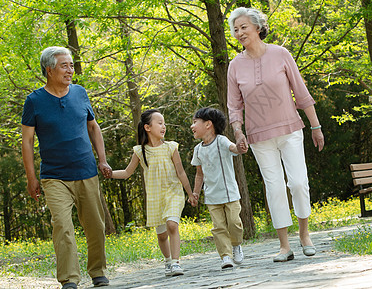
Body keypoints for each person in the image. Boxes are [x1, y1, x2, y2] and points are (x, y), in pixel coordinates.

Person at [227, 7, 325, 262]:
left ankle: (304, 234)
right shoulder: (234, 66)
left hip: (290, 129)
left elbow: (301, 93)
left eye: (243, 27)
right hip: (258, 136)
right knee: (275, 189)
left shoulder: (281, 54)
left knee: (298, 183)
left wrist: (315, 126)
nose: (239, 33)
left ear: (257, 28)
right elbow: (234, 106)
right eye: (235, 29)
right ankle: (284, 245)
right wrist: (238, 133)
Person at [21, 46, 111, 288]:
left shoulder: (81, 94)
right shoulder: (34, 101)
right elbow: (27, 142)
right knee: (62, 226)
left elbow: (93, 127)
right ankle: (69, 279)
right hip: (54, 176)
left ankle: (98, 272)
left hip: (86, 171)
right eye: (65, 65)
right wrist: (32, 178)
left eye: (71, 65)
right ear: (49, 70)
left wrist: (102, 159)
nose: (70, 70)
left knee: (95, 226)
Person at [108, 109, 196, 277]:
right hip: (156, 197)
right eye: (160, 123)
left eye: (164, 123)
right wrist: (110, 173)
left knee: (172, 225)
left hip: (173, 193)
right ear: (147, 127)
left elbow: (181, 172)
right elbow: (127, 173)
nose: (164, 126)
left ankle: (176, 262)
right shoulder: (140, 152)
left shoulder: (171, 147)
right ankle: (168, 260)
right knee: (162, 236)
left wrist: (190, 193)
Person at [190, 107, 247, 269]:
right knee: (219, 227)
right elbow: (199, 175)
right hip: (212, 197)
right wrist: (195, 192)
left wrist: (240, 147)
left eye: (195, 122)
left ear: (208, 124)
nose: (192, 126)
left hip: (230, 193)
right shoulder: (198, 150)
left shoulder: (221, 140)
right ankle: (226, 256)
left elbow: (234, 149)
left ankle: (236, 245)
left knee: (234, 223)